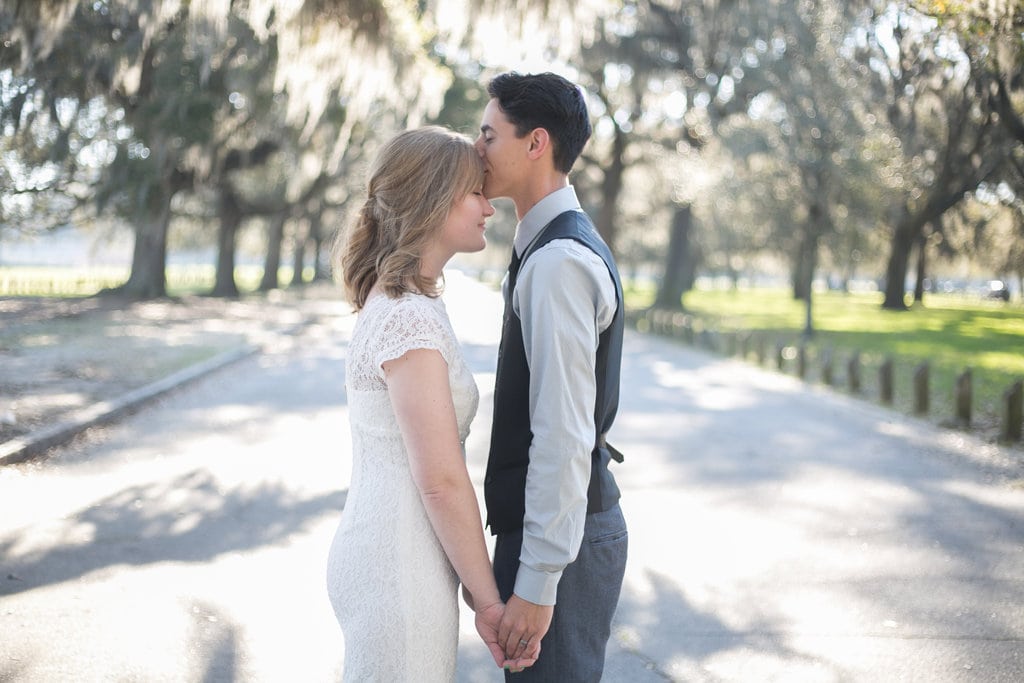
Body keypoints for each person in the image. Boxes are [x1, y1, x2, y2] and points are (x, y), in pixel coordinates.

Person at [325, 126, 536, 680]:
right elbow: (441, 479)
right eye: (474, 192)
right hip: (398, 564)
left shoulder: (406, 301)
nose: (489, 207)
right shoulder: (407, 317)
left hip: (392, 552)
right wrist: (489, 602)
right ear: (432, 199)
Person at [476, 71, 629, 681]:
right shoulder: (548, 249)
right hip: (559, 532)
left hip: (560, 544)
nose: (476, 149)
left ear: (535, 143)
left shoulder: (558, 263)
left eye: (488, 135)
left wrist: (538, 581)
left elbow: (562, 434)